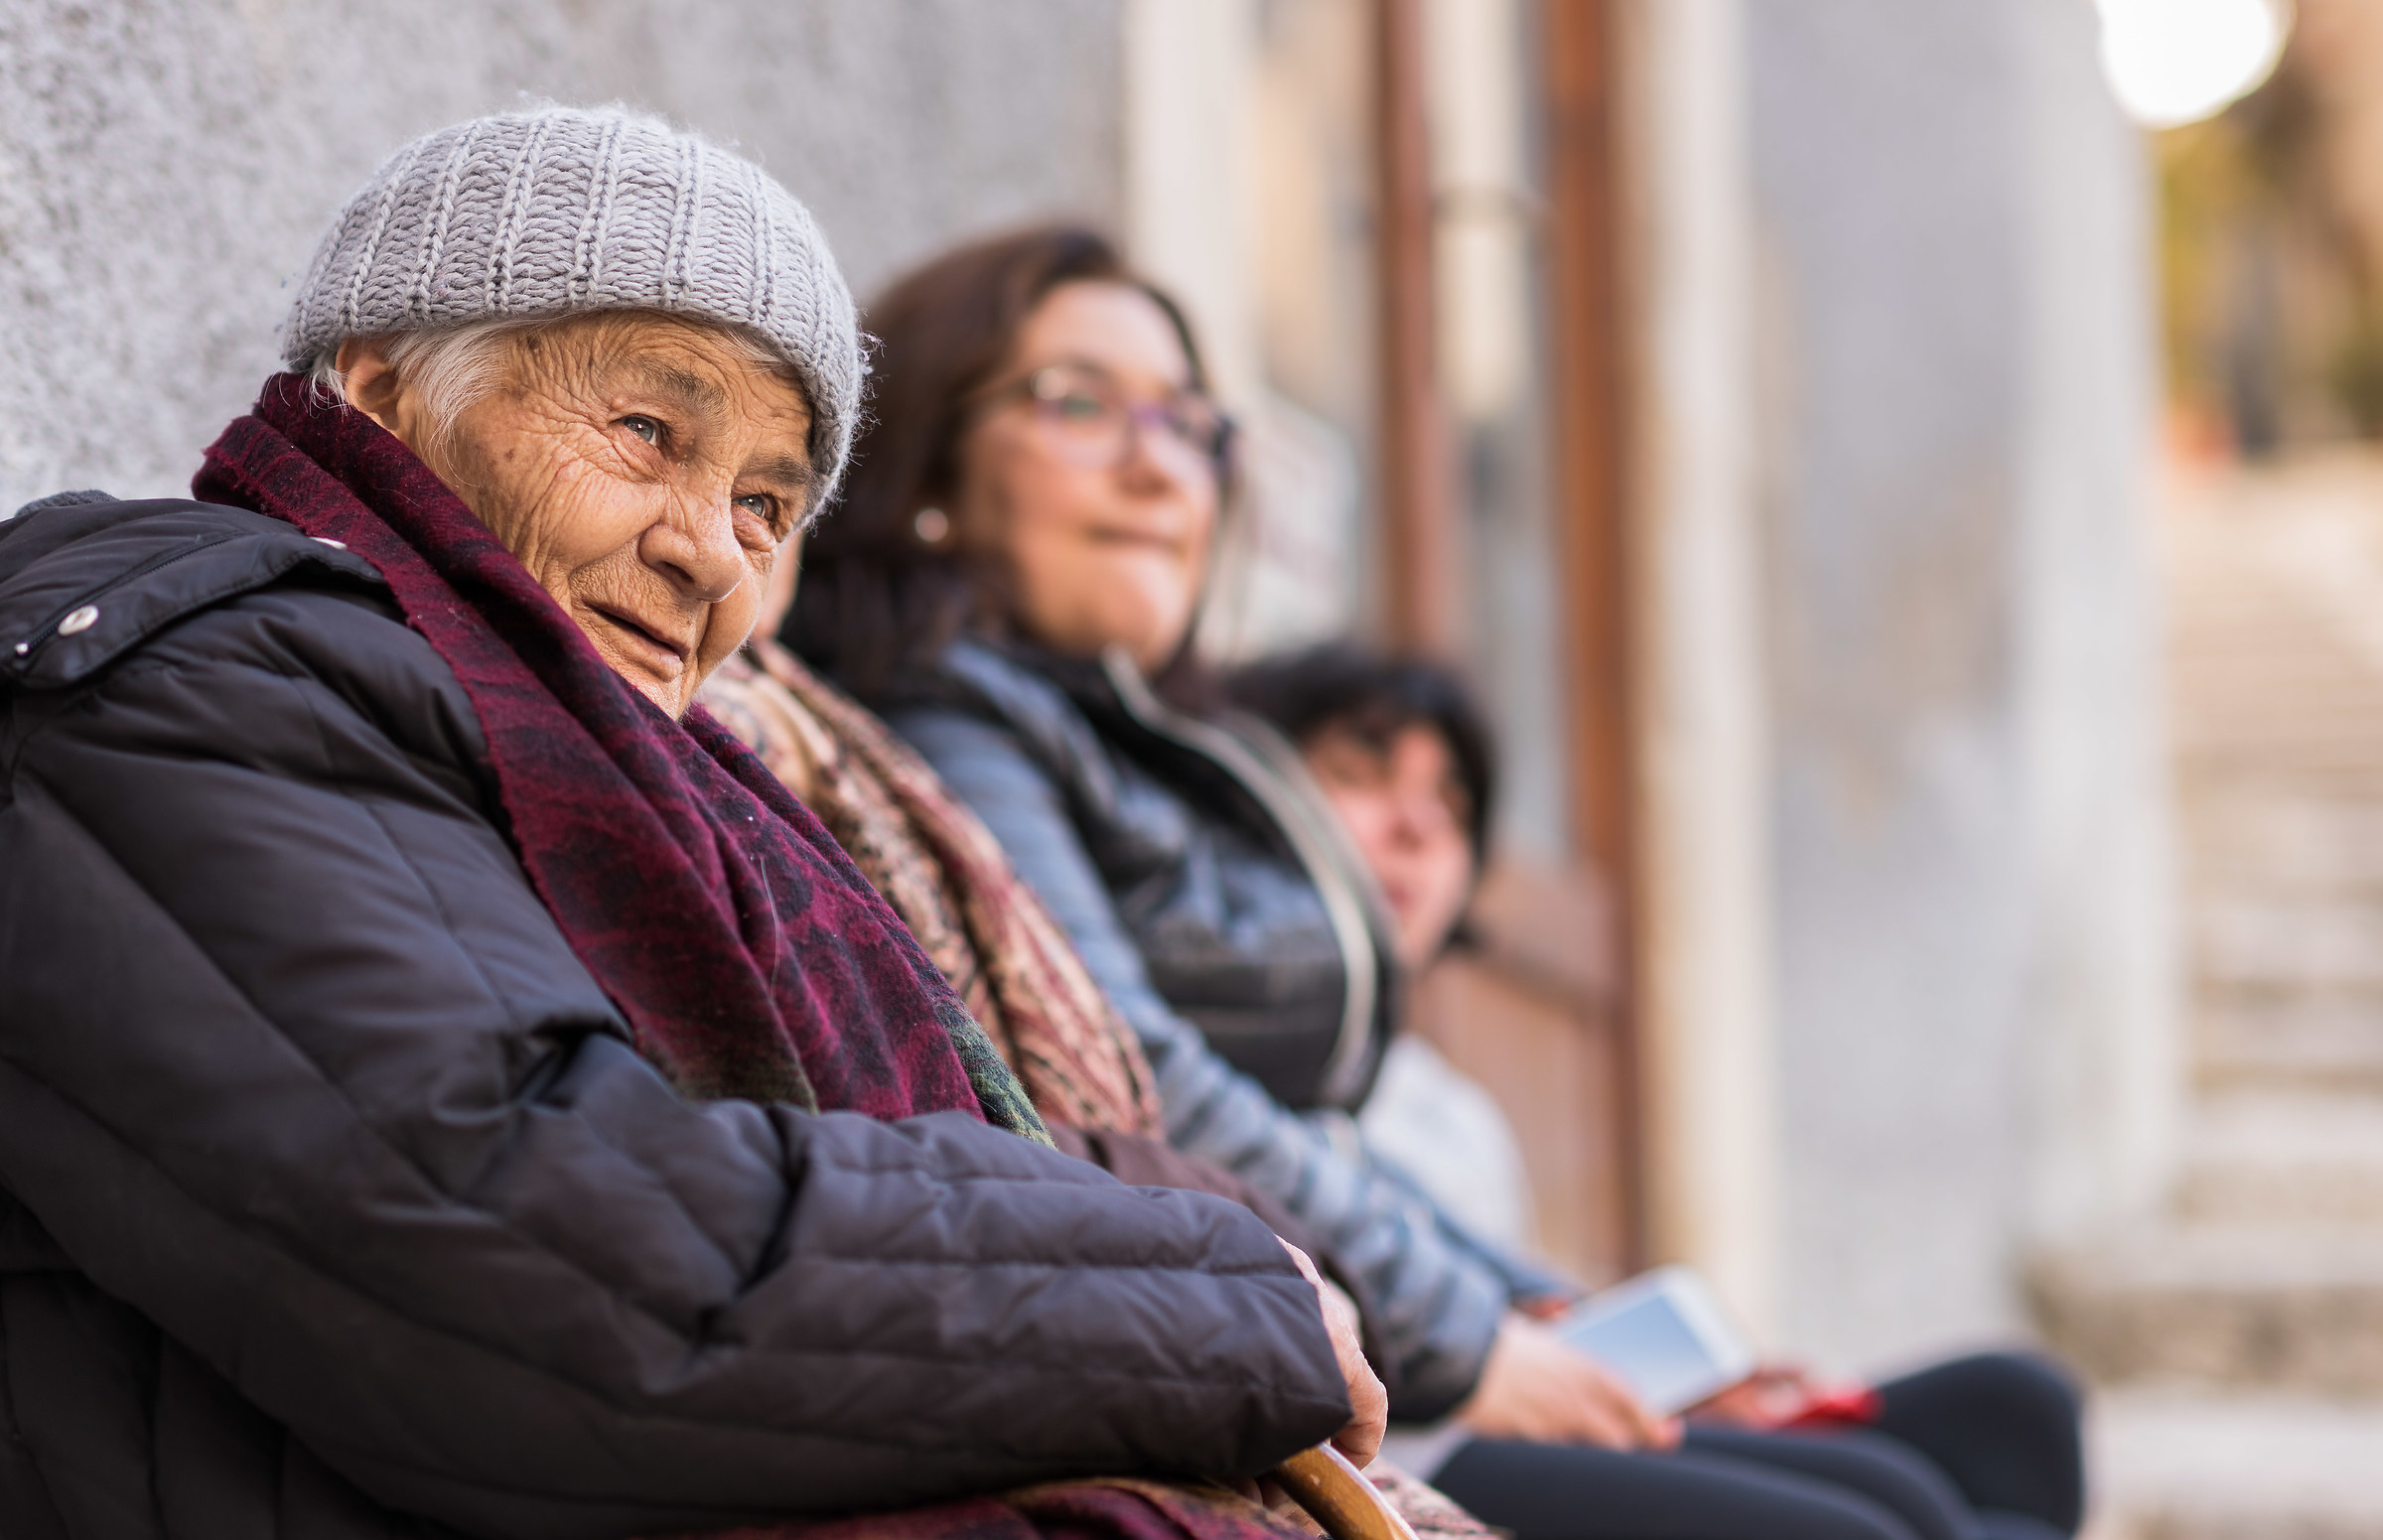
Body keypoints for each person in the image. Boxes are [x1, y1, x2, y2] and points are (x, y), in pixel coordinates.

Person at [0, 110, 1389, 1540]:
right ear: (379, 391)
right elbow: (550, 1257)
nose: (713, 552)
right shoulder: (195, 685)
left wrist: (1216, 1230)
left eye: (766, 502)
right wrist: (1215, 1296)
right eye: (647, 431)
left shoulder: (583, 763)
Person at [783, 224, 2085, 1540]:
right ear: (930, 462)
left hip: (1394, 1330)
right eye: (1078, 402)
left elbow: (1325, 1136)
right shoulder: (954, 723)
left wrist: (1544, 1309)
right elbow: (1134, 1075)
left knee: (1997, 1424)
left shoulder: (1135, 738)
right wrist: (1475, 1338)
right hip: (1326, 1383)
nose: (1155, 463)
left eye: (1185, 421)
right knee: (1885, 1517)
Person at [1230, 643, 2092, 1540]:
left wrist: (1661, 1375)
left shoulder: (1451, 1113)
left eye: (1451, 806)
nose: (1416, 829)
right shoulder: (1225, 1085)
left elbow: (1532, 1323)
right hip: (1417, 1444)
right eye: (1359, 776)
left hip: (1546, 1408)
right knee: (1891, 1514)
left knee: (2015, 1409)